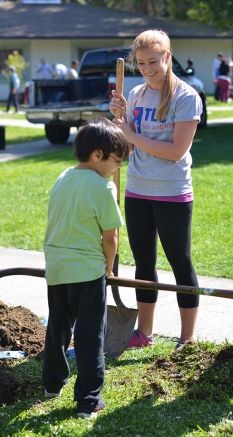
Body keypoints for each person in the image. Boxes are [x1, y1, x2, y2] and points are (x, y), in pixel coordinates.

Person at [109, 29, 202, 350]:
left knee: (180, 261)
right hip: (137, 190)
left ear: (167, 57)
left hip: (172, 193)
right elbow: (131, 147)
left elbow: (176, 150)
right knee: (143, 264)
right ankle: (143, 332)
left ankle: (187, 337)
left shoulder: (186, 97)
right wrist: (121, 121)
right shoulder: (135, 95)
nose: (147, 69)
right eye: (141, 63)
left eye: (153, 62)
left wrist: (130, 134)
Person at [42, 120, 129, 418]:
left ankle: (52, 384)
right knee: (91, 335)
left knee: (58, 328)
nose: (117, 169)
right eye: (116, 161)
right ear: (97, 155)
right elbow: (110, 236)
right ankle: (89, 400)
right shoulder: (103, 187)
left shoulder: (63, 177)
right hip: (88, 272)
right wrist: (108, 268)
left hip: (56, 268)